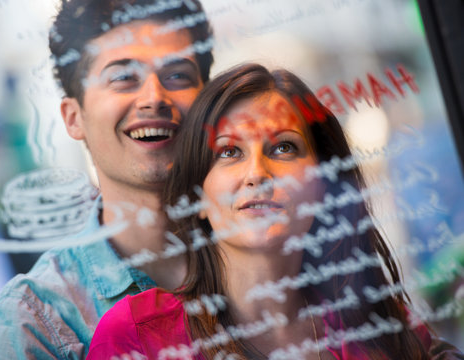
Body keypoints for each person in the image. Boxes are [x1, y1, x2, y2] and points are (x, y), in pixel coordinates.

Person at [87, 64, 464, 359]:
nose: (257, 175)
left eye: (284, 148)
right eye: (229, 152)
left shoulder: (383, 325)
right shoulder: (135, 336)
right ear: (197, 193)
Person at [0, 0, 213, 358]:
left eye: (178, 75)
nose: (154, 97)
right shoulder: (38, 316)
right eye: (122, 77)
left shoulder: (268, 247)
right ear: (74, 117)